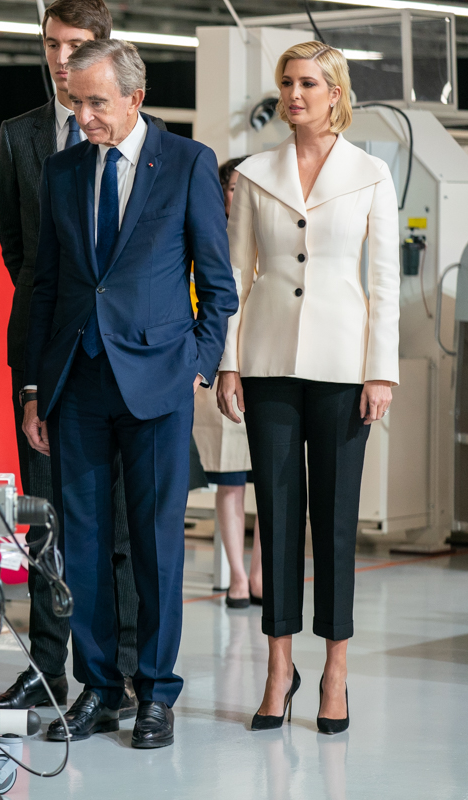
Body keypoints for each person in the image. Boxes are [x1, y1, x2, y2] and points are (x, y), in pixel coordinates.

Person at [22, 39, 237, 748]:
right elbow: (46, 286)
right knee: (81, 544)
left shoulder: (186, 163)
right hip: (77, 382)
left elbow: (218, 283)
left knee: (153, 546)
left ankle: (156, 691)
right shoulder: (62, 172)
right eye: (74, 102)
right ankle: (99, 689)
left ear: (135, 99)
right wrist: (34, 388)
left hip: (158, 382)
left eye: (96, 103)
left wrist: (198, 365)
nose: (83, 116)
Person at [0, 0, 167, 719]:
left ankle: (121, 670)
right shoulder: (20, 136)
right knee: (50, 517)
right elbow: (19, 249)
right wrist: (35, 366)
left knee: (122, 523)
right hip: (47, 350)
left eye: (77, 45)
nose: (61, 58)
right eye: (52, 43)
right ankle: (48, 666)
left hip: (126, 356)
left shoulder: (150, 145)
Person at [216, 42, 399, 734]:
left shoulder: (370, 174)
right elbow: (234, 276)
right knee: (278, 515)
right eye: (287, 82)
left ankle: (337, 673)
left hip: (345, 364)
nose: (294, 94)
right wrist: (229, 360)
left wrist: (381, 370)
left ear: (335, 92)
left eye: (308, 83)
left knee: (335, 519)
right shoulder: (255, 173)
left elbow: (382, 281)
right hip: (266, 360)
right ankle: (277, 668)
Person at [192, 156, 263, 608]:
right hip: (222, 363)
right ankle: (237, 576)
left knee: (273, 482)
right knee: (231, 480)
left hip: (267, 365)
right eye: (233, 187)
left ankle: (260, 577)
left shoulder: (271, 237)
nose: (239, 195)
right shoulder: (207, 236)